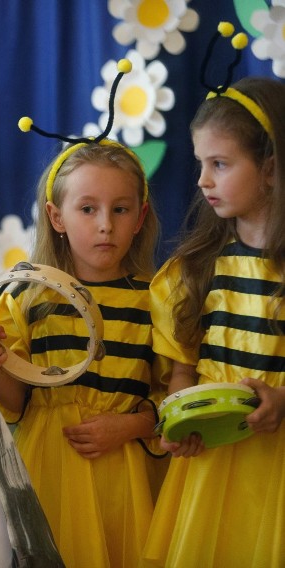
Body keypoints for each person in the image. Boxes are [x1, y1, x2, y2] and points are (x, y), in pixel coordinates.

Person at [0, 130, 170, 565]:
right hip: (49, 464)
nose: (106, 224)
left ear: (139, 218)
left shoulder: (156, 299)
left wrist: (128, 427)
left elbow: (172, 397)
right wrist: (0, 368)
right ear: (56, 217)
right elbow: (16, 404)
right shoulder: (28, 300)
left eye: (120, 210)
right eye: (88, 209)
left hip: (125, 472)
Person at [140, 75, 285, 567]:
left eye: (220, 164)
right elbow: (182, 371)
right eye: (201, 163)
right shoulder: (194, 269)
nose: (203, 180)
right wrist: (178, 418)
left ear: (269, 168)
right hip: (211, 465)